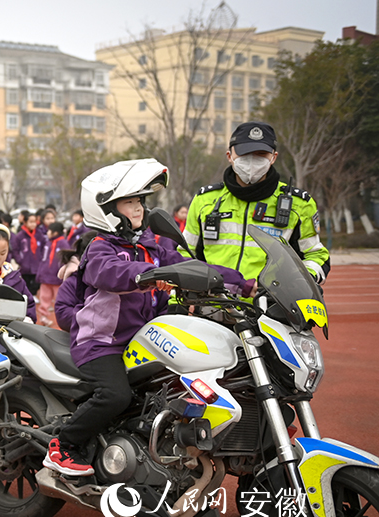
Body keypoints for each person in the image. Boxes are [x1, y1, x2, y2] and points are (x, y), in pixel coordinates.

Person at [44, 159, 256, 477]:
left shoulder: (151, 246)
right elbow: (110, 273)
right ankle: (64, 444)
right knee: (115, 395)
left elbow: (189, 265)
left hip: (142, 338)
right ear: (106, 209)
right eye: (130, 202)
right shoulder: (100, 248)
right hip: (102, 344)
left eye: (141, 201)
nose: (139, 208)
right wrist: (149, 274)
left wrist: (241, 281)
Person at [182, 122, 330, 284]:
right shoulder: (205, 200)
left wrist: (302, 280)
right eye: (244, 154)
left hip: (273, 305)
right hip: (213, 304)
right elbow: (185, 254)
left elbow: (315, 255)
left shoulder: (300, 204)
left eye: (261, 154)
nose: (252, 161)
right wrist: (177, 300)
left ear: (273, 157)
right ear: (229, 156)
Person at [36, 221, 68, 327]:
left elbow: (66, 261)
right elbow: (43, 259)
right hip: (46, 276)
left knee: (60, 299)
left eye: (49, 231)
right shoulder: (48, 243)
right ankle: (44, 317)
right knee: (44, 298)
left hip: (57, 278)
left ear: (55, 232)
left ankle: (62, 319)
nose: (48, 233)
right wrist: (40, 273)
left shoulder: (63, 243)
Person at [11, 212, 43, 296]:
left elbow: (44, 248)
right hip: (25, 266)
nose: (33, 224)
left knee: (36, 285)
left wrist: (41, 259)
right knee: (26, 284)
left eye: (34, 222)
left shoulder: (39, 235)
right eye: (31, 222)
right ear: (25, 222)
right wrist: (20, 261)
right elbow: (15, 250)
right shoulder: (20, 236)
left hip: (37, 265)